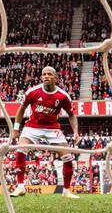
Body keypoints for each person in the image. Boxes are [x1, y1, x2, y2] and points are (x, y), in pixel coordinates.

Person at [9, 65, 79, 199]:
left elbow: (71, 114)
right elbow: (22, 108)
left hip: (53, 128)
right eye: (44, 74)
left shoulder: (63, 96)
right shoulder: (32, 92)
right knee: (20, 150)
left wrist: (75, 132)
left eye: (49, 74)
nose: (46, 76)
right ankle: (20, 186)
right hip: (32, 127)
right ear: (41, 77)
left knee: (68, 157)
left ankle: (66, 191)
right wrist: (16, 129)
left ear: (55, 78)